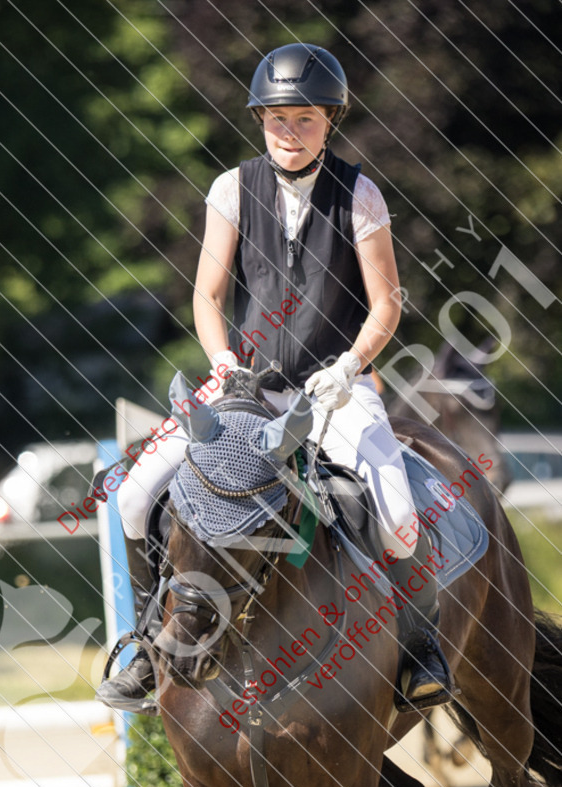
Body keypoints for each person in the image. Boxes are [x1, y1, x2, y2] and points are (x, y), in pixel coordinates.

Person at [97, 42, 454, 713]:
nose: (288, 133)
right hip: (245, 388)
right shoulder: (231, 188)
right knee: (134, 494)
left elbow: (386, 303)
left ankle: (418, 647)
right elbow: (207, 296)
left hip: (334, 390)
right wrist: (222, 360)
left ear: (330, 120)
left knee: (400, 518)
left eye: (305, 120)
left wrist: (350, 366)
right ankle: (146, 646)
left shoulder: (360, 192)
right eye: (276, 120)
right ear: (259, 120)